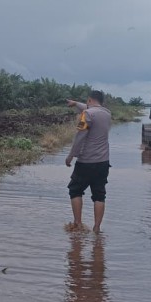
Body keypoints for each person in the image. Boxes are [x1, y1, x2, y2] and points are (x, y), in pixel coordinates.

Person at [64, 90, 112, 233]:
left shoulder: (88, 114)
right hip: (103, 162)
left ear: (90, 100)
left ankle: (77, 224)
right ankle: (97, 228)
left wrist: (71, 155)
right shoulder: (107, 113)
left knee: (75, 190)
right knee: (99, 194)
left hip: (86, 161)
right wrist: (75, 104)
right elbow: (90, 109)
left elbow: (80, 136)